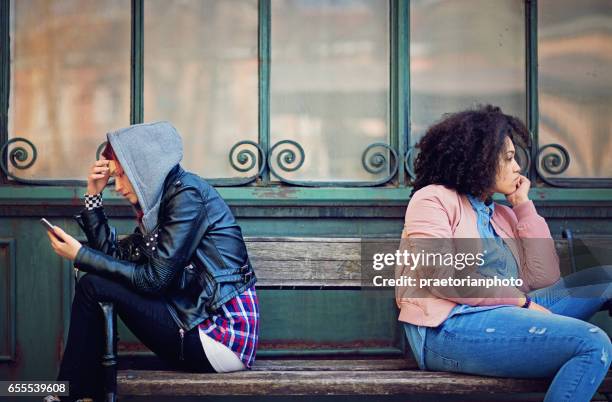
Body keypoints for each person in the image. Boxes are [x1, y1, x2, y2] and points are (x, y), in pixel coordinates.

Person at [397, 105, 611, 402]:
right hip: (448, 329)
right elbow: (441, 278)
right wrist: (521, 302)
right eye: (509, 158)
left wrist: (523, 205)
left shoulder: (502, 214)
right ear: (479, 159)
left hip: (512, 313)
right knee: (592, 343)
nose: (517, 168)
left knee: (605, 276)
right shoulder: (432, 200)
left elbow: (544, 276)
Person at [44, 121, 259, 401]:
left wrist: (82, 256)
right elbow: (115, 260)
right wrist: (93, 197)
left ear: (143, 170)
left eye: (122, 176)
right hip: (195, 324)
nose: (118, 187)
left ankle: (69, 394)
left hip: (222, 337)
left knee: (93, 285)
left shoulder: (187, 196)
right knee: (96, 283)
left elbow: (154, 280)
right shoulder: (161, 207)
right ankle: (78, 393)